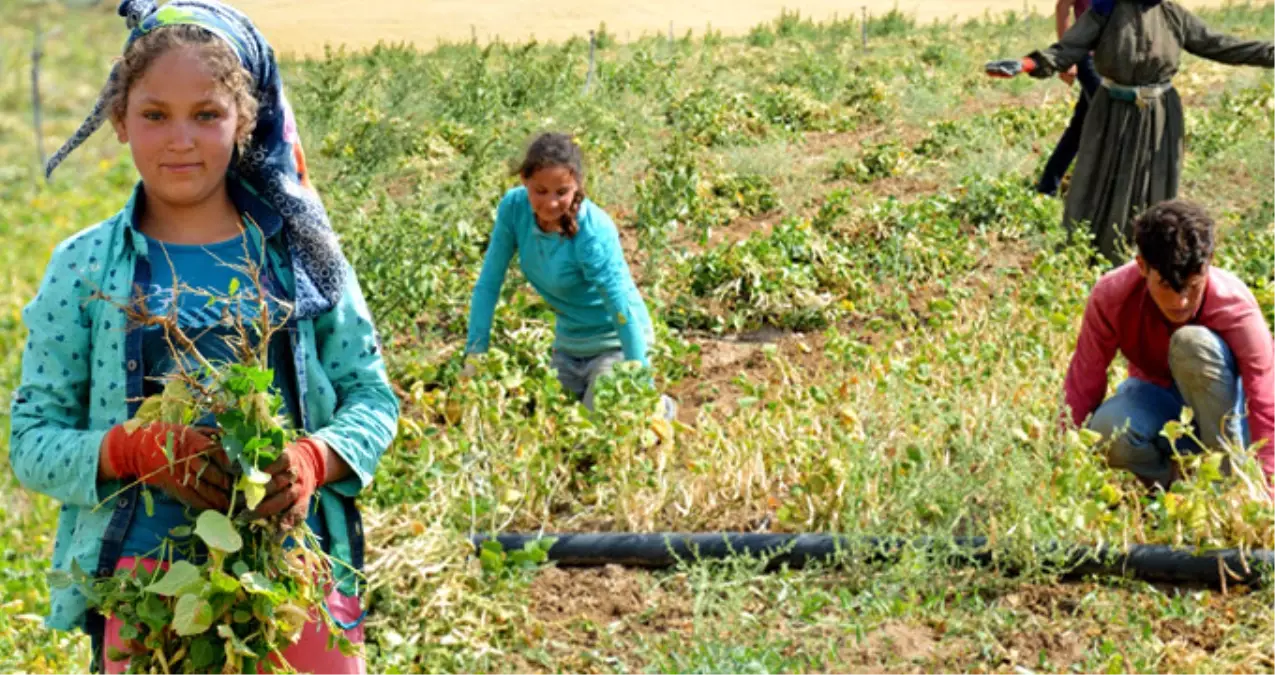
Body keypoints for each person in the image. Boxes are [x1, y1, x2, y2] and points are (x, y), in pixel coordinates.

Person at [9, 1, 400, 672]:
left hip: (293, 575)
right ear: (119, 121)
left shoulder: (301, 256)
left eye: (207, 114)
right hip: (145, 589)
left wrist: (312, 459)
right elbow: (31, 440)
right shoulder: (84, 267)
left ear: (245, 121)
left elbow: (372, 397)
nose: (179, 139)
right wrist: (132, 449)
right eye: (155, 115)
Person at [985, 0, 1275, 265]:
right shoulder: (1105, 9)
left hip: (1159, 116)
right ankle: (1090, 253)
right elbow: (1067, 49)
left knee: (1155, 183)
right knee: (1099, 178)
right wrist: (1026, 64)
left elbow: (1222, 45)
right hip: (1111, 113)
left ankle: (1151, 254)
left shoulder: (1172, 14)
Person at [1060, 200, 1275, 494]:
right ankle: (1174, 490)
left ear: (1209, 262)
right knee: (1106, 430)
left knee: (1192, 344)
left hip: (1234, 420)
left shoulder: (1234, 306)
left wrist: (1269, 486)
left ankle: (1228, 486)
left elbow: (1266, 397)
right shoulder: (1113, 297)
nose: (1180, 301)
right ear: (1142, 266)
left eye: (1192, 285)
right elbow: (1084, 380)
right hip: (1162, 408)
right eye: (1165, 285)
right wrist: (1061, 463)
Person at [463, 132, 676, 419]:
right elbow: (489, 283)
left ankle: (662, 408)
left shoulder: (593, 230)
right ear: (524, 180)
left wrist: (640, 375)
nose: (551, 203)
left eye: (561, 192)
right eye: (540, 191)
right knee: (550, 427)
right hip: (568, 346)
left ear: (577, 187)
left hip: (617, 343)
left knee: (589, 434)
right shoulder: (514, 210)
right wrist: (476, 351)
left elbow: (620, 306)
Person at [1036, 0, 1102, 197]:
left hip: (1110, 59)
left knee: (1081, 126)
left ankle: (1048, 186)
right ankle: (1096, 189)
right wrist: (1067, 57)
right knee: (1108, 115)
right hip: (1086, 55)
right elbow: (1063, 7)